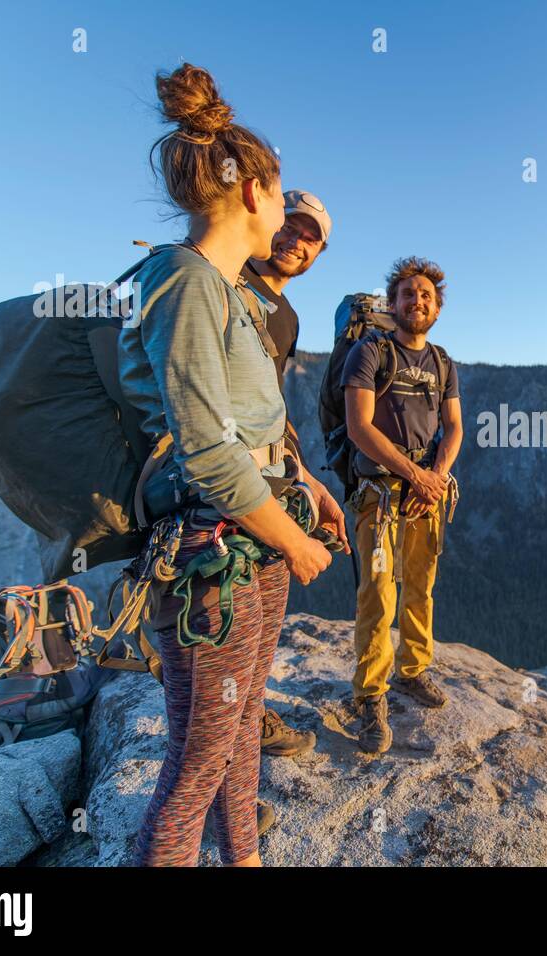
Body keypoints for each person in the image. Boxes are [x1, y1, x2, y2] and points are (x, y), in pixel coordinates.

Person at [118, 62, 345, 866]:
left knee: (242, 726)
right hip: (210, 559)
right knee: (197, 760)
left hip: (247, 546)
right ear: (251, 192)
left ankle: (243, 858)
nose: (284, 212)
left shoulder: (229, 294)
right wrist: (294, 540)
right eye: (281, 194)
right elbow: (209, 449)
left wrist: (306, 490)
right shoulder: (182, 284)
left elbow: (256, 426)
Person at [342, 257, 463, 754]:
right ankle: (370, 693)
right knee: (378, 592)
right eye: (408, 294)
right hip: (382, 496)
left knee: (420, 585)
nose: (418, 301)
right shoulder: (370, 353)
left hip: (424, 496)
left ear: (437, 308)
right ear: (392, 304)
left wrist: (434, 477)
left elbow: (454, 427)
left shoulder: (442, 362)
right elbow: (359, 427)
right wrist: (417, 475)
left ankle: (413, 669)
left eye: (426, 296)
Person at [240, 190, 343, 758]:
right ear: (265, 220)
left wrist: (309, 481)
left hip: (265, 472)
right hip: (218, 485)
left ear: (318, 253)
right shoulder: (223, 283)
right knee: (231, 618)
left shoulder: (287, 316)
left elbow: (269, 410)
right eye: (290, 226)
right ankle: (216, 761)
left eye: (311, 237)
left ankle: (247, 722)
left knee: (260, 616)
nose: (296, 241)